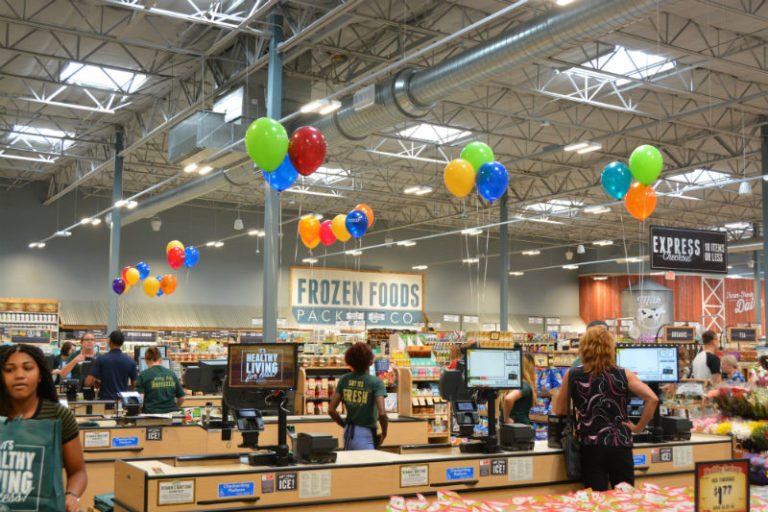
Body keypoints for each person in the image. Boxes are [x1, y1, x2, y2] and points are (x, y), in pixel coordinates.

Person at [554, 327, 658, 491]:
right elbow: (652, 399)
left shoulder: (572, 374)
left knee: (597, 500)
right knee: (625, 499)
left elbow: (559, 410)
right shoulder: (624, 374)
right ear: (610, 348)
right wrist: (638, 427)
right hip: (620, 444)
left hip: (591, 445)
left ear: (584, 347)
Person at [0, 344, 87, 512]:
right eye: (9, 370)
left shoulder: (58, 416)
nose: (19, 375)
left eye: (28, 368)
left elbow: (78, 471)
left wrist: (71, 495)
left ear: (40, 375)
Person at [328, 342, 388, 450]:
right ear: (370, 361)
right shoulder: (376, 382)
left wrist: (344, 425)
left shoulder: (344, 379)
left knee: (351, 465)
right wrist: (384, 433)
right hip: (366, 433)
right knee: (368, 466)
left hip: (348, 432)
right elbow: (382, 414)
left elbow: (331, 410)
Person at [85, 330, 137, 401]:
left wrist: (96, 380)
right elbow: (135, 386)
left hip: (104, 402)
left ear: (110, 342)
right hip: (122, 402)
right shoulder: (131, 361)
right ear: (122, 344)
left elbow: (88, 383)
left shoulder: (101, 359)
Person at [136, 347, 185, 413]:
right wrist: (176, 407)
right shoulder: (171, 374)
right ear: (161, 359)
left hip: (151, 416)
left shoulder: (143, 375)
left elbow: (140, 401)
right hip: (171, 416)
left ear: (146, 360)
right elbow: (182, 397)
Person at [501, 352, 537, 425]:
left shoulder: (508, 384)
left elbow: (487, 405)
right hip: (520, 430)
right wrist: (506, 418)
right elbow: (509, 399)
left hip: (504, 430)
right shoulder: (525, 385)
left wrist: (500, 419)